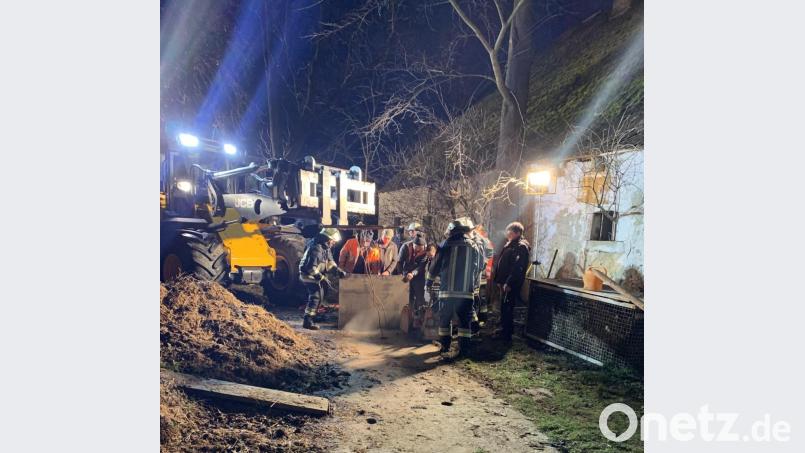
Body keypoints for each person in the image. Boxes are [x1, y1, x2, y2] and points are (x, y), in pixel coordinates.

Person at [426, 218, 482, 359]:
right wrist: (475, 287)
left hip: (447, 292)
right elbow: (480, 266)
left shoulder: (445, 244)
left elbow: (435, 266)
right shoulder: (474, 246)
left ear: (452, 231)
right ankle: (463, 350)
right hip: (466, 293)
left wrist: (429, 282)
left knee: (445, 321)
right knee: (464, 322)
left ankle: (445, 346)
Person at [299, 228, 347, 330]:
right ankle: (307, 321)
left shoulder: (325, 248)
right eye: (333, 241)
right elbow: (310, 268)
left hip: (315, 274)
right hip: (308, 275)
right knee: (316, 296)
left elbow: (330, 263)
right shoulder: (316, 248)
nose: (333, 243)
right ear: (327, 239)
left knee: (321, 295)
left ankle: (313, 315)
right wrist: (321, 277)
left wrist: (338, 271)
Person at [492, 221, 531, 342]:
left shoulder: (520, 246)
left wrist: (508, 282)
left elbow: (517, 267)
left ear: (517, 232)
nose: (507, 233)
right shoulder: (511, 244)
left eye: (510, 232)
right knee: (504, 306)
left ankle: (506, 333)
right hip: (504, 283)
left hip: (510, 284)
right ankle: (504, 329)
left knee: (507, 307)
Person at [401, 234, 429, 320]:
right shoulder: (405, 247)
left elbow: (421, 266)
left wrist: (412, 273)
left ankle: (419, 319)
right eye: (418, 248)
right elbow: (400, 262)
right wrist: (403, 274)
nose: (420, 250)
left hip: (418, 276)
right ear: (414, 245)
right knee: (407, 297)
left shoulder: (425, 251)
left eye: (422, 248)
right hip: (405, 274)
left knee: (420, 298)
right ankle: (408, 318)